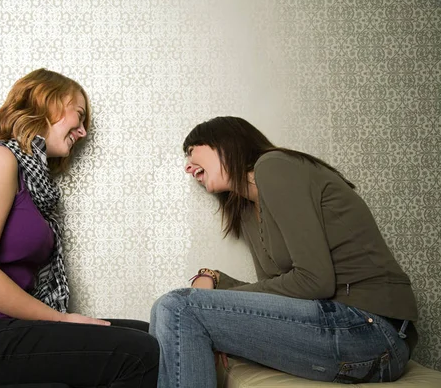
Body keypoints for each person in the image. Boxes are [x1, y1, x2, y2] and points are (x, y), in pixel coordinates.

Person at [0, 68, 159, 387]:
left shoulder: (34, 183)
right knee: (140, 352)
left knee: (154, 333)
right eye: (79, 116)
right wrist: (62, 319)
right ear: (48, 103)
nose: (83, 131)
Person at [149, 116, 418, 387]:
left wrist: (206, 299)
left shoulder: (274, 166)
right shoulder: (246, 209)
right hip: (341, 323)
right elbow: (278, 289)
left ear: (224, 143)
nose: (187, 166)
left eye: (192, 149)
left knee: (179, 306)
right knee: (165, 306)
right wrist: (215, 279)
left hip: (372, 332)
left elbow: (315, 281)